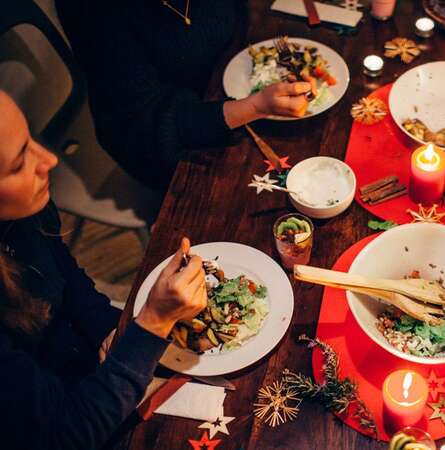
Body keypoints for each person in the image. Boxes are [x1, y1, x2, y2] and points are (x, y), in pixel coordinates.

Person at [0, 91, 208, 449]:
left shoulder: (21, 214)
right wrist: (152, 324)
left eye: (31, 139)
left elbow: (67, 281)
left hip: (85, 368)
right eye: (18, 164)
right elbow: (66, 435)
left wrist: (109, 331)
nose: (48, 160)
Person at [54, 0, 311, 190]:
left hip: (224, 86)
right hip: (164, 140)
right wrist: (255, 106)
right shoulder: (93, 11)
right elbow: (140, 124)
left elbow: (230, 19)